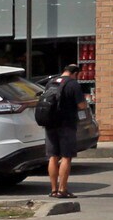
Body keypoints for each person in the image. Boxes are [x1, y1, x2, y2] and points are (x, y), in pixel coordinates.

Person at [35, 65, 87, 199]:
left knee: (53, 157)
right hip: (66, 125)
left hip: (50, 123)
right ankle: (62, 189)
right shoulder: (73, 84)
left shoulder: (50, 82)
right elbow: (81, 105)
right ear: (75, 73)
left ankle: (53, 190)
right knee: (66, 156)